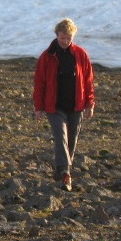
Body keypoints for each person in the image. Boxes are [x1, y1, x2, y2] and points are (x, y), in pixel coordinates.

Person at [33, 18, 95, 192]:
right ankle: (65, 174)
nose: (65, 41)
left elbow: (89, 80)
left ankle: (61, 170)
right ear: (57, 35)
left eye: (68, 38)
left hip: (76, 105)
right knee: (61, 138)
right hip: (54, 106)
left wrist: (90, 103)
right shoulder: (47, 56)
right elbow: (40, 83)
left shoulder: (81, 55)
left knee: (71, 141)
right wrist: (39, 107)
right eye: (62, 38)